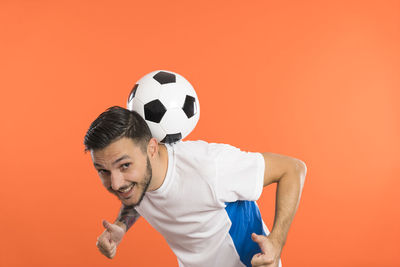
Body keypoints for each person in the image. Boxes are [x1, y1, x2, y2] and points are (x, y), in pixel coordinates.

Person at [84, 106, 307, 267]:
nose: (115, 184)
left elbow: (293, 169)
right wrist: (122, 226)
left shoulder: (209, 168)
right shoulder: (137, 179)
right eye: (103, 171)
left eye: (124, 166)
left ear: (151, 149)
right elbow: (139, 196)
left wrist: (276, 242)